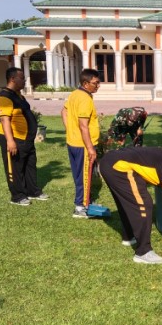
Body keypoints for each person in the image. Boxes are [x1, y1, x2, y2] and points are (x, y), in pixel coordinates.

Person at [99, 147, 162, 264]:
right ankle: (143, 252)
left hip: (108, 161)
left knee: (129, 200)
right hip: (119, 167)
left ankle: (128, 236)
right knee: (145, 204)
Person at [0, 67, 48, 206]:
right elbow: (5, 120)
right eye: (22, 78)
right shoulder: (4, 97)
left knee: (30, 163)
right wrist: (10, 141)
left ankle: (32, 191)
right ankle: (17, 196)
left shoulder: (19, 95)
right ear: (12, 79)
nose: (24, 81)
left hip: (26, 138)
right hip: (14, 137)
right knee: (15, 166)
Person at [61, 68, 101, 219]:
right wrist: (90, 148)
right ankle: (80, 207)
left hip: (73, 142)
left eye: (98, 83)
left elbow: (63, 112)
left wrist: (70, 130)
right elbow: (83, 125)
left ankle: (85, 201)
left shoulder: (75, 94)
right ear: (85, 83)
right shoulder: (84, 98)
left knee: (79, 175)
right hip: (83, 146)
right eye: (95, 83)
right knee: (84, 176)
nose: (98, 86)